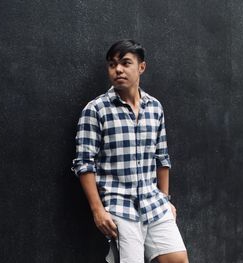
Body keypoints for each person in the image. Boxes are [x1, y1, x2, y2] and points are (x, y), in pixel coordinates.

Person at [72, 39, 189, 263]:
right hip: (119, 206)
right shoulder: (95, 110)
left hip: (153, 203)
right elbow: (84, 164)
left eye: (126, 63)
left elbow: (162, 158)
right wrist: (98, 211)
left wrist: (165, 199)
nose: (118, 69)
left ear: (141, 67)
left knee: (178, 260)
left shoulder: (154, 107)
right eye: (112, 64)